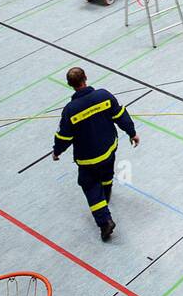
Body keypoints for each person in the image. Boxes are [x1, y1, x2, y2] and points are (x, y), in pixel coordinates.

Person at [52, 67, 139, 241]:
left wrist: (57, 151)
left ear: (70, 85)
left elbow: (64, 136)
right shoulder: (103, 96)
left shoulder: (70, 110)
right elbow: (120, 115)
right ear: (86, 77)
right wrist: (132, 133)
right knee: (107, 173)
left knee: (90, 186)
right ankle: (106, 194)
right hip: (108, 149)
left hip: (87, 158)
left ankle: (105, 221)